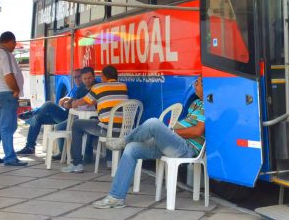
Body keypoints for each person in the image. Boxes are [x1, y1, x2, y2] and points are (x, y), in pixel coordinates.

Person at [93, 76, 204, 209]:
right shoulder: (196, 103)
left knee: (153, 123)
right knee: (132, 148)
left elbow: (198, 131)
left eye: (197, 83)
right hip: (174, 143)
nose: (194, 85)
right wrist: (169, 133)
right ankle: (116, 197)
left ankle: (125, 139)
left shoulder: (209, 106)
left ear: (205, 86)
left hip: (187, 148)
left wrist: (172, 132)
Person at [61, 65, 128, 173]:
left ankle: (76, 163)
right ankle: (111, 160)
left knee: (77, 125)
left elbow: (83, 102)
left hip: (106, 129)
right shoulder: (123, 87)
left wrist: (72, 104)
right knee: (108, 123)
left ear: (104, 76)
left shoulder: (99, 87)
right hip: (124, 130)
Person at [15, 67, 94, 155]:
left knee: (48, 104)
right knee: (37, 118)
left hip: (71, 117)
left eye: (79, 77)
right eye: (75, 77)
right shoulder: (75, 88)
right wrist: (66, 101)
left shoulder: (83, 89)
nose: (77, 79)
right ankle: (29, 147)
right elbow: (61, 102)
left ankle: (33, 112)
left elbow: (73, 104)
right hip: (66, 113)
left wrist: (68, 102)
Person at [0, 31, 27, 166]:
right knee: (7, 126)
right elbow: (8, 76)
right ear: (11, 41)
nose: (14, 46)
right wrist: (16, 89)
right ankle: (10, 157)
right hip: (6, 94)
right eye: (14, 43)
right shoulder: (6, 54)